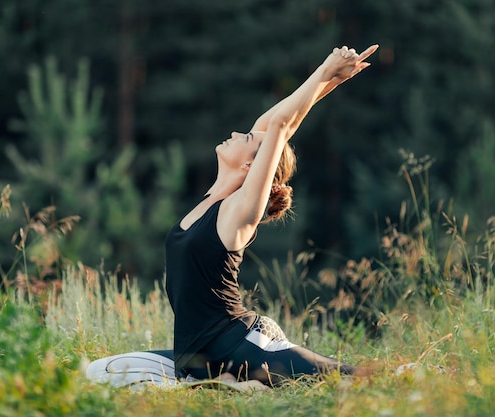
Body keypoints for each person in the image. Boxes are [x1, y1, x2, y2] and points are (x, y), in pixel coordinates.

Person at [86, 44, 378, 389]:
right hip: (194, 355)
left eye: (248, 138)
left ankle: (238, 383)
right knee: (95, 373)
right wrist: (332, 80)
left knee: (357, 379)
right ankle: (229, 385)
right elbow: (277, 123)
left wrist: (326, 68)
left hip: (241, 346)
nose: (239, 133)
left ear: (252, 166)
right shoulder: (213, 198)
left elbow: (282, 127)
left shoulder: (240, 209)